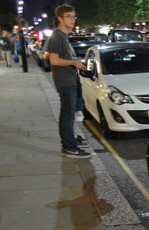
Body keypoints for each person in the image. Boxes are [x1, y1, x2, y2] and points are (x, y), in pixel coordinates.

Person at [48, 4, 91, 158]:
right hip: (65, 82)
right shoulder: (57, 37)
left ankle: (71, 140)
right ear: (60, 18)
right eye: (68, 16)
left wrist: (77, 62)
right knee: (67, 115)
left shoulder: (64, 36)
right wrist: (73, 62)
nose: (72, 19)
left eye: (73, 16)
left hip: (72, 80)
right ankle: (69, 147)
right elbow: (54, 60)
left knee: (72, 113)